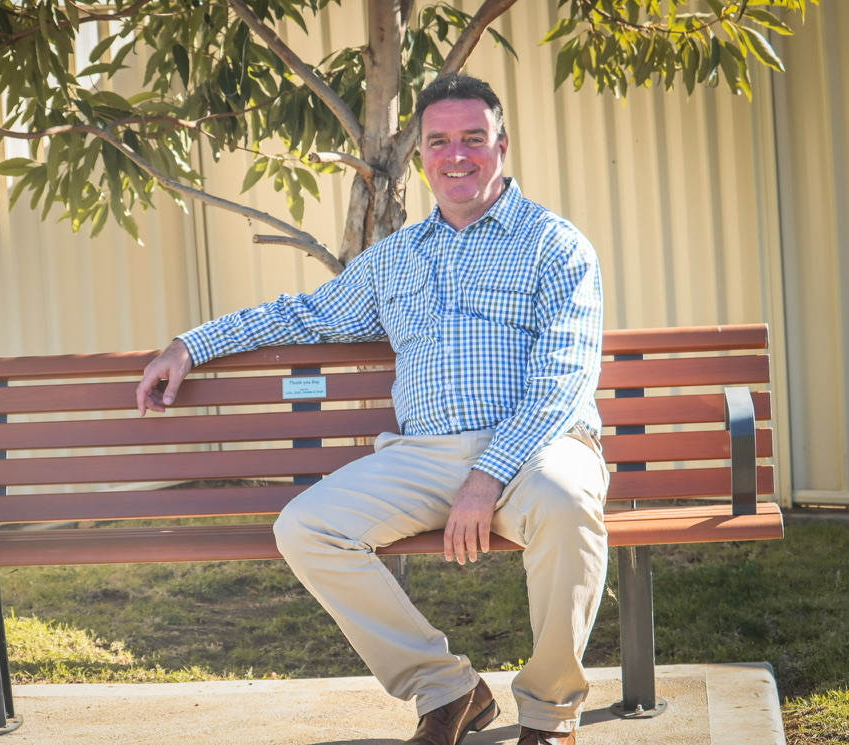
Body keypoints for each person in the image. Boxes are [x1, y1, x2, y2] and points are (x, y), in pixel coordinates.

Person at [136, 73, 609, 745]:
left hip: (539, 447)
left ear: (502, 147)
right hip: (426, 455)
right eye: (438, 142)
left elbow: (563, 380)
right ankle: (447, 690)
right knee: (307, 527)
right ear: (421, 157)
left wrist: (488, 476)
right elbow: (303, 315)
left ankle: (549, 716)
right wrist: (192, 344)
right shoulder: (395, 259)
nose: (456, 155)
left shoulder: (554, 245)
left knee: (567, 503)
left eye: (473, 138)